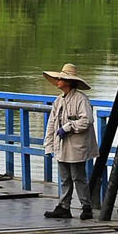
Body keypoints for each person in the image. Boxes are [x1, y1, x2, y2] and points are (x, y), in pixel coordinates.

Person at [41, 62, 97, 220]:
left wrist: (68, 127)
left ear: (69, 81)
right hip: (61, 144)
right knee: (65, 178)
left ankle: (86, 207)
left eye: (61, 78)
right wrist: (48, 145)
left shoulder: (81, 99)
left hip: (76, 145)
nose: (58, 80)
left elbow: (87, 120)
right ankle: (64, 207)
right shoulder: (58, 100)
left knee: (78, 177)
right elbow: (51, 124)